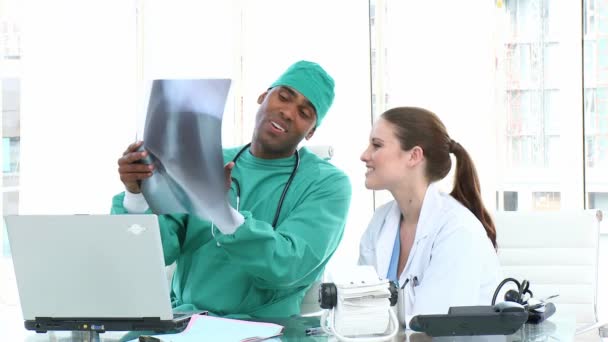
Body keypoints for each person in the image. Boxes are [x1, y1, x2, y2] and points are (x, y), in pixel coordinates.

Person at [113, 60, 352, 318]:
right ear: (262, 97)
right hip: (185, 324)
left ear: (311, 132)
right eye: (283, 97)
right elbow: (153, 254)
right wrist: (136, 194)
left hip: (267, 330)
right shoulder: (204, 160)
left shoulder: (327, 184)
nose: (288, 112)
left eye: (305, 113)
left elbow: (288, 266)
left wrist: (222, 212)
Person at [358, 107, 501, 327]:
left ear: (414, 156)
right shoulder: (381, 221)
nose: (364, 155)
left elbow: (433, 331)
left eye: (377, 145)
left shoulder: (457, 230)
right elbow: (357, 313)